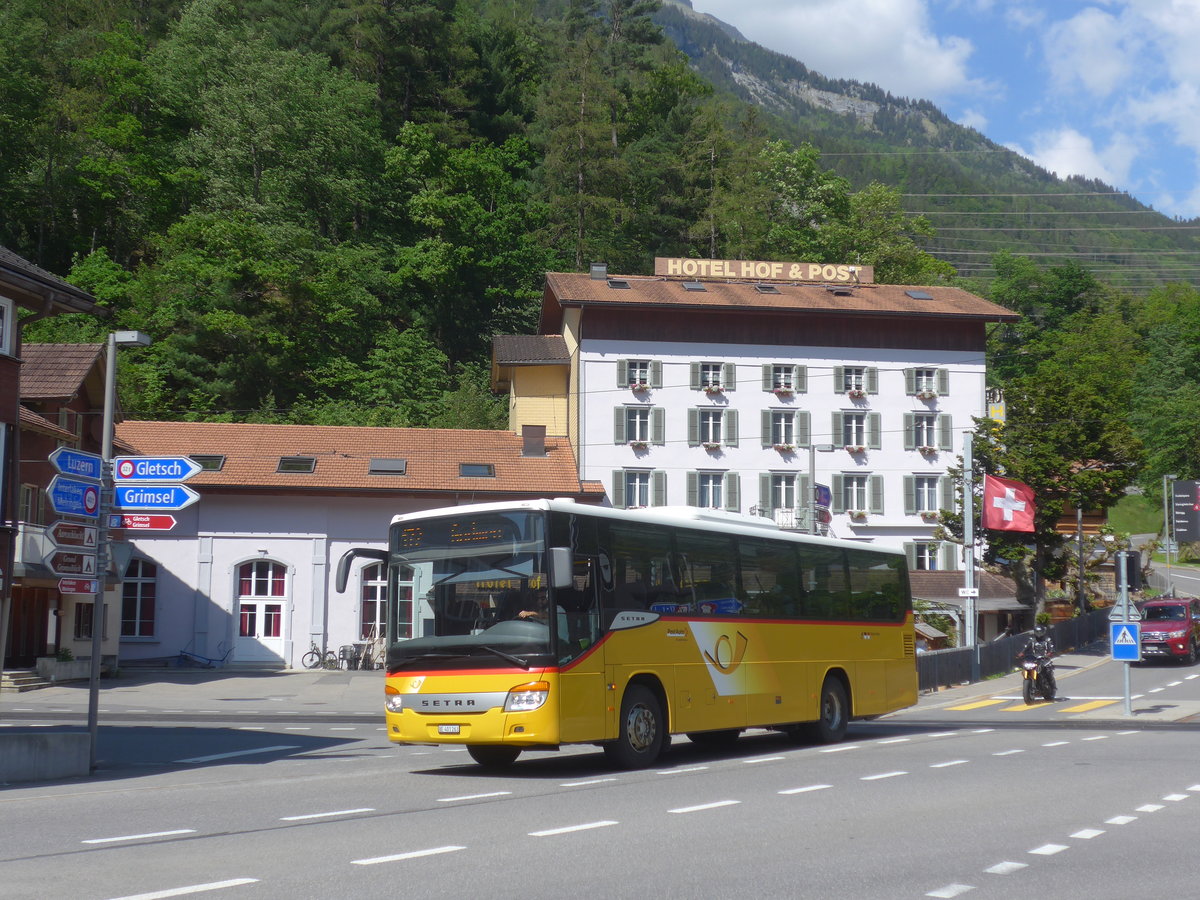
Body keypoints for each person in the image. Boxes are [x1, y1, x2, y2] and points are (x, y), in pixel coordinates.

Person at [1017, 623, 1056, 693]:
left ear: (1043, 632)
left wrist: (1049, 653)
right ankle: (1031, 685)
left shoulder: (1047, 639)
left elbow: (1051, 648)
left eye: (1040, 632)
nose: (1039, 633)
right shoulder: (1032, 640)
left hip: (1044, 659)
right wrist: (1021, 653)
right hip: (1034, 659)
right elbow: (1026, 648)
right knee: (1027, 666)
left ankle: (1052, 686)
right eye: (1037, 632)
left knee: (1047, 670)